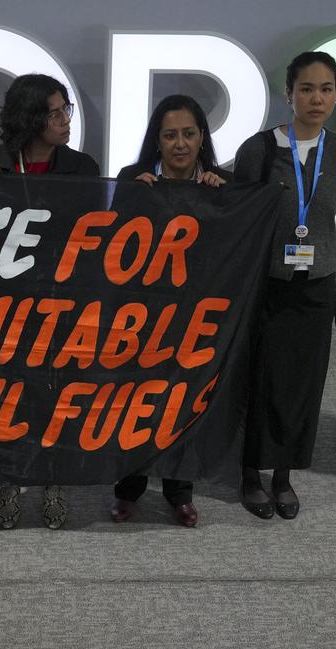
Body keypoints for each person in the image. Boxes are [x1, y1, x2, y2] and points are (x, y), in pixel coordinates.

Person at [232, 51, 336, 521]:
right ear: (288, 94)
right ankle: (250, 473)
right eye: (306, 88)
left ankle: (283, 476)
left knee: (303, 385)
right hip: (266, 286)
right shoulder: (258, 150)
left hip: (316, 288)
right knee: (259, 380)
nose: (316, 98)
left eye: (326, 89)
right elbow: (237, 223)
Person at [0, 73, 100, 530]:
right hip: (8, 304)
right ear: (30, 118)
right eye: (55, 113)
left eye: (67, 110)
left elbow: (98, 233)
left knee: (57, 392)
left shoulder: (81, 166)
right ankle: (10, 479)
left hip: (63, 303)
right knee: (9, 393)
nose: (65, 121)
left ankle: (54, 477)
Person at [111, 94, 231, 528]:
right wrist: (132, 200)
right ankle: (128, 489)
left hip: (196, 317)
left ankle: (180, 491)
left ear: (202, 138)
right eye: (169, 135)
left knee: (184, 399)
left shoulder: (223, 185)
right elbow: (109, 247)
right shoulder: (133, 179)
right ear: (156, 141)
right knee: (134, 399)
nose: (179, 143)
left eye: (188, 134)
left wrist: (224, 205)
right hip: (143, 315)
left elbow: (233, 252)